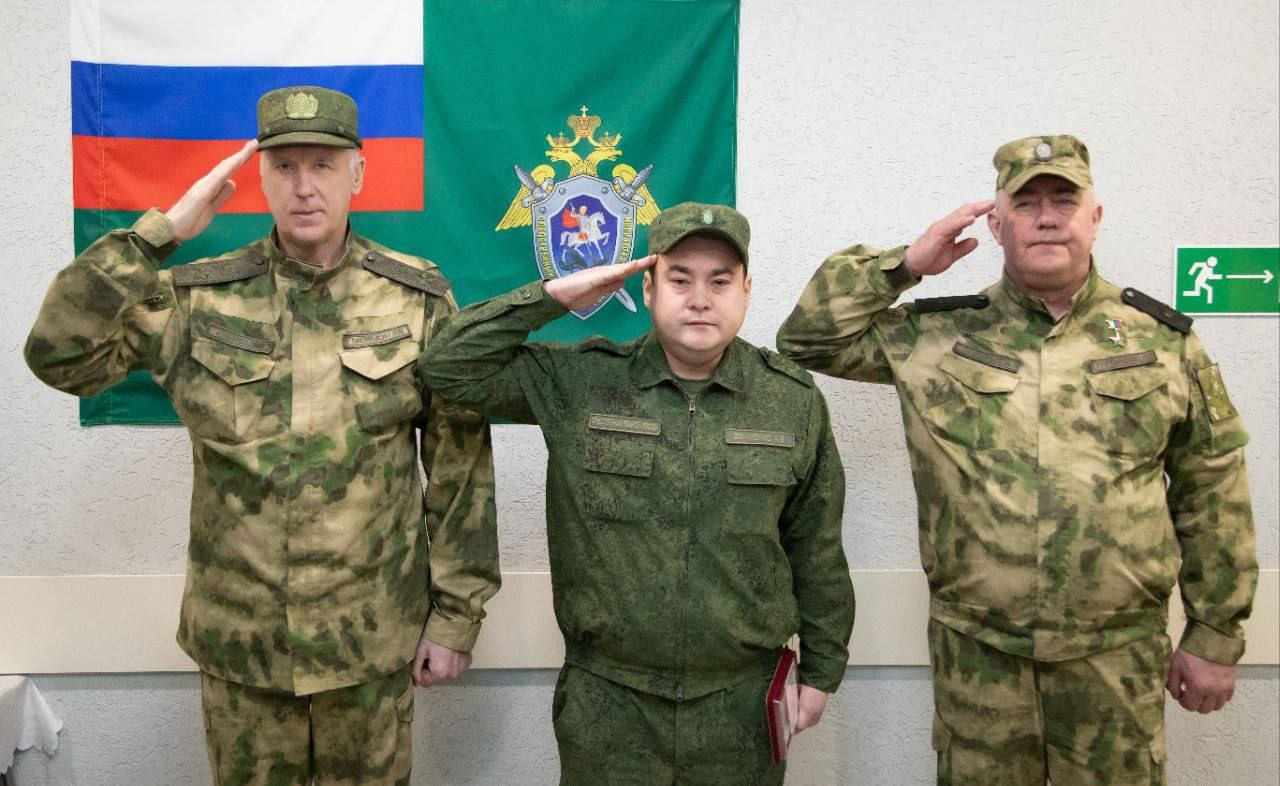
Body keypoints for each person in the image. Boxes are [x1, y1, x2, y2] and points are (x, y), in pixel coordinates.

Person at [25, 86, 500, 785]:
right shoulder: (197, 298)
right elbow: (58, 355)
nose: (305, 187)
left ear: (358, 174)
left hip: (369, 644)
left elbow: (460, 469)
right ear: (261, 179)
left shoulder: (416, 301)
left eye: (323, 165)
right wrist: (157, 235)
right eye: (284, 167)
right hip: (242, 648)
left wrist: (456, 618)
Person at [776, 135, 1257, 785]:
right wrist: (905, 265)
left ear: (1095, 216)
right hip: (979, 660)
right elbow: (806, 339)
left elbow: (1213, 488)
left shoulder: (1163, 341)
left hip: (1116, 660)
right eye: (1026, 204)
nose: (1047, 218)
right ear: (997, 225)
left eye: (1065, 200)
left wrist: (1216, 634)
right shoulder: (937, 335)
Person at [422, 202, 854, 785]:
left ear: (747, 291)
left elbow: (817, 548)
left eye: (720, 282)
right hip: (609, 705)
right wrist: (552, 298)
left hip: (741, 707)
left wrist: (822, 673)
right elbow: (447, 368)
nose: (700, 299)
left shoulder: (791, 402)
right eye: (680, 280)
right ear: (648, 289)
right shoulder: (582, 381)